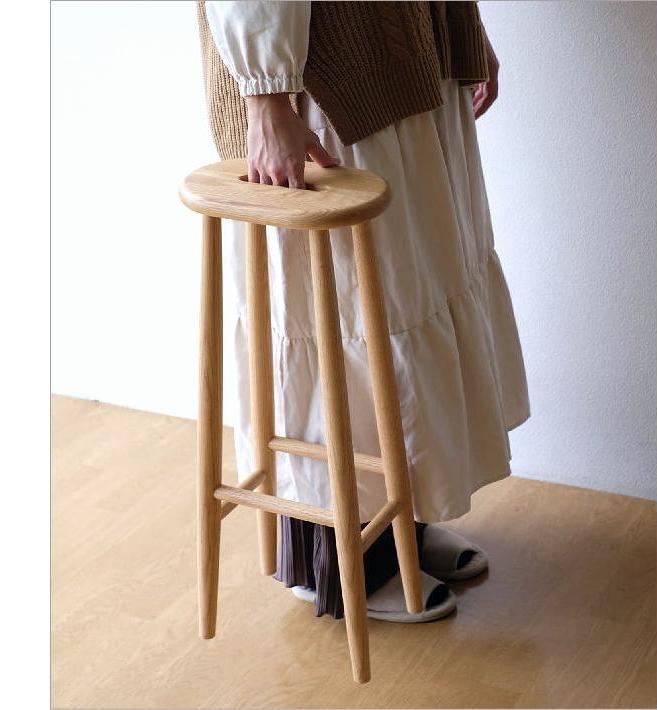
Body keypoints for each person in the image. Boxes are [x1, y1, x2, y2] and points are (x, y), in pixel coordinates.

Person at [197, 0, 530, 622]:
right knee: (347, 305)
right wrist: (267, 98)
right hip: (323, 71)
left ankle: (403, 521)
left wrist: (465, 28)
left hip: (405, 42)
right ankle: (342, 550)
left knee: (412, 281)